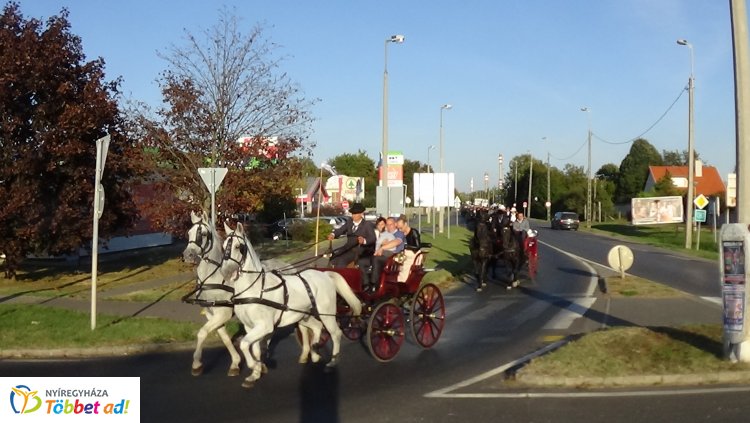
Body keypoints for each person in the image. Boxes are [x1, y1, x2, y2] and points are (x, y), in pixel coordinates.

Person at [327, 203, 376, 283]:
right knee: (333, 257)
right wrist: (333, 234)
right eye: (352, 214)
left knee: (341, 260)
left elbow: (372, 238)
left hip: (359, 250)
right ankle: (331, 279)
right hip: (347, 248)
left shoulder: (367, 225)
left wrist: (364, 241)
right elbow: (341, 230)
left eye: (355, 214)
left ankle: (340, 282)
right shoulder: (349, 222)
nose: (353, 216)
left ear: (361, 214)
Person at [369, 217, 405, 291]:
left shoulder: (399, 234)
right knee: (365, 260)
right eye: (387, 225)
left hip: (395, 258)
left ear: (395, 224)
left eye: (391, 224)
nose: (389, 226)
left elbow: (396, 242)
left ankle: (374, 285)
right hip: (385, 255)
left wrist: (383, 247)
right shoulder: (385, 234)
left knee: (376, 259)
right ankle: (365, 283)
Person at [396, 214, 422, 281]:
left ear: (405, 224)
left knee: (405, 268)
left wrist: (407, 246)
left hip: (414, 254)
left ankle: (402, 281)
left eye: (401, 228)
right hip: (404, 254)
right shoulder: (402, 234)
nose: (400, 230)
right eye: (399, 228)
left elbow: (417, 246)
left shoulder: (413, 232)